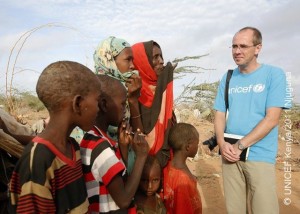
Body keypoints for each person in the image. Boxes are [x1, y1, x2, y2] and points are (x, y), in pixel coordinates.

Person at [214, 27, 290, 214]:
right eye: (234, 46)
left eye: (243, 46)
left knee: (264, 209)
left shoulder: (275, 74)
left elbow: (272, 119)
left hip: (259, 155)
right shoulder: (228, 77)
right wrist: (221, 143)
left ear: (258, 48)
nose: (237, 51)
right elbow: (219, 113)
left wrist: (240, 145)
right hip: (230, 154)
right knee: (235, 210)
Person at [9, 61, 101, 213]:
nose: (99, 108)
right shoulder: (38, 162)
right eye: (97, 100)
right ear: (77, 103)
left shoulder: (72, 147)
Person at [80, 75, 149, 213]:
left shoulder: (93, 138)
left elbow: (116, 181)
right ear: (104, 105)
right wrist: (141, 156)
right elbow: (123, 200)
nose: (125, 109)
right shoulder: (100, 146)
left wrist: (122, 147)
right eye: (123, 104)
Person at [131, 40, 176, 168]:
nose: (161, 61)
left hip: (163, 162)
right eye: (155, 57)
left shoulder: (162, 91)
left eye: (161, 56)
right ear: (142, 61)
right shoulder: (133, 92)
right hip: (140, 165)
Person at [163, 123, 202, 214]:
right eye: (197, 143)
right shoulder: (182, 180)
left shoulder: (170, 166)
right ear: (188, 146)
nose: (198, 147)